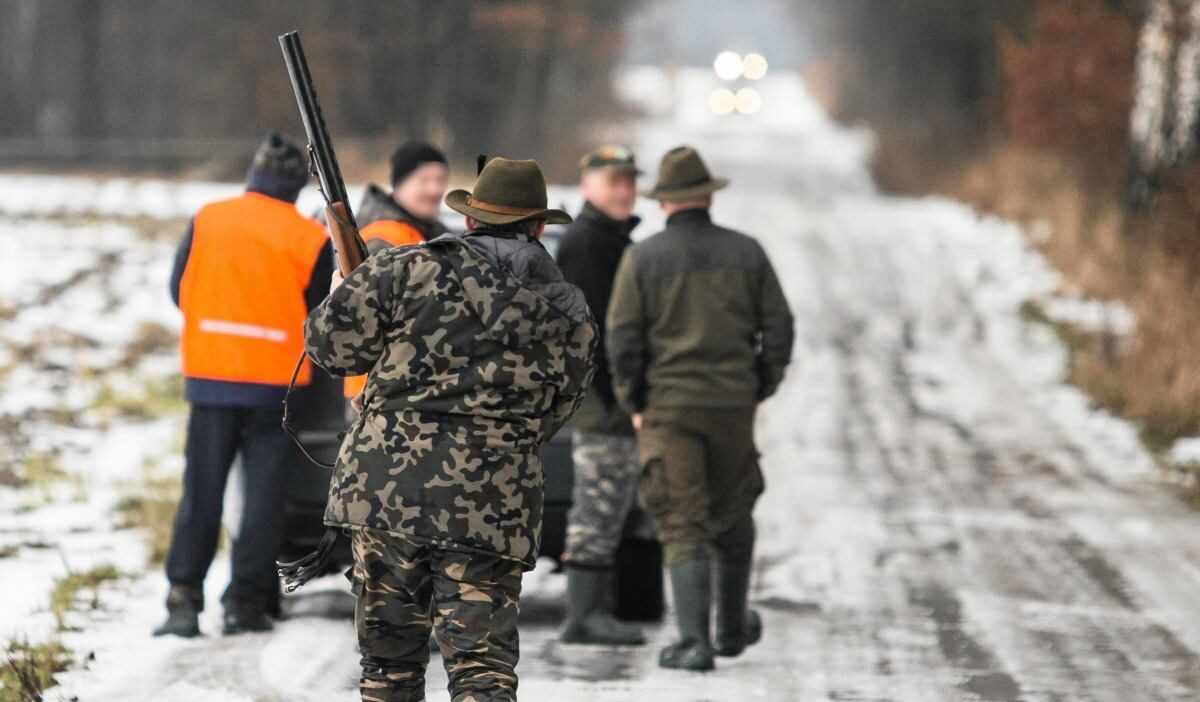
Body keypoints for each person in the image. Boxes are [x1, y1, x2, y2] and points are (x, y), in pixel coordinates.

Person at [301, 157, 596, 702]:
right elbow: (556, 413)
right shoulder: (569, 313)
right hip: (492, 505)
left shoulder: (404, 268)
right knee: (482, 672)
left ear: (468, 221)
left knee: (388, 668)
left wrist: (344, 286)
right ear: (538, 228)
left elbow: (331, 349)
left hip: (385, 496)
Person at [607, 145, 794, 671]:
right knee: (733, 515)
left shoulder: (642, 258)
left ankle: (694, 642)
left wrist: (634, 400)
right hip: (732, 406)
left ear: (665, 203)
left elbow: (622, 339)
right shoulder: (748, 252)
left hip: (669, 409)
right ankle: (731, 629)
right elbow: (779, 327)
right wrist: (761, 385)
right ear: (708, 197)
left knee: (681, 518)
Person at [155, 132, 334, 637]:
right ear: (297, 186)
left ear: (253, 175)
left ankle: (183, 599)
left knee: (201, 491)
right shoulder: (310, 238)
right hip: (275, 389)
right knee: (262, 500)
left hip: (211, 380)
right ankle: (245, 604)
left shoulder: (208, 217)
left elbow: (178, 290)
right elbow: (320, 313)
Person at [553, 145, 647, 646]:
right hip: (603, 400)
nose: (624, 190)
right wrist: (621, 398)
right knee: (598, 504)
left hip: (611, 397)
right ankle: (582, 616)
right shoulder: (589, 242)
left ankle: (595, 608)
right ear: (588, 185)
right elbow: (595, 332)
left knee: (612, 506)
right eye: (613, 181)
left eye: (629, 181)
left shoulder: (611, 238)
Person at [344, 141, 450, 400]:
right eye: (424, 180)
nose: (435, 189)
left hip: (410, 383)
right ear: (399, 184)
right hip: (379, 389)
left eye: (440, 179)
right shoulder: (383, 239)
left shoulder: (426, 235)